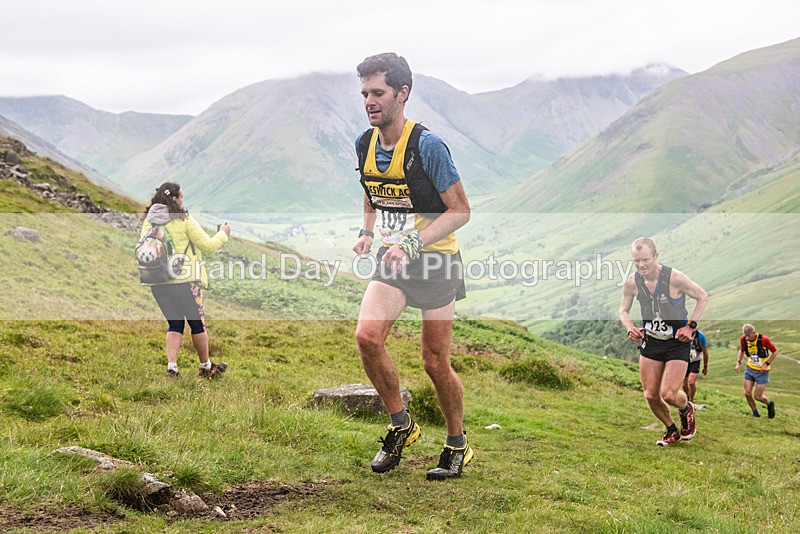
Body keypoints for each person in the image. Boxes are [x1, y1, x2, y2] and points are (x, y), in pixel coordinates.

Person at [352, 53, 472, 480]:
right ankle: (401, 425)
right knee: (367, 337)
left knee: (434, 362)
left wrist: (414, 241)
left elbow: (460, 211)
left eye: (378, 93)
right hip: (394, 260)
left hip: (436, 261)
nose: (369, 101)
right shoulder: (365, 143)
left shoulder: (428, 146)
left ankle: (456, 444)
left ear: (402, 94)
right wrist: (367, 232)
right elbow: (372, 190)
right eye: (364, 93)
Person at [619, 237, 708, 446]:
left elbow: (702, 297)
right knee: (651, 396)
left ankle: (686, 408)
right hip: (652, 341)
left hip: (677, 342)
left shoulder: (674, 278)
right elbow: (623, 310)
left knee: (668, 394)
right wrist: (630, 327)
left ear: (656, 256)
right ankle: (671, 430)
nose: (641, 265)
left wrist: (690, 326)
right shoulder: (632, 282)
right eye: (636, 261)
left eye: (645, 260)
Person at [141, 182, 231, 379]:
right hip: (185, 283)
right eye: (181, 197)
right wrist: (223, 234)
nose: (182, 201)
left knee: (175, 324)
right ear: (174, 198)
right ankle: (206, 367)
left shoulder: (150, 221)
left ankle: (172, 368)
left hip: (158, 283)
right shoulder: (183, 219)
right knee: (197, 325)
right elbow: (208, 245)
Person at [735, 324, 778, 418]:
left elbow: (775, 352)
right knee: (747, 393)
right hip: (750, 370)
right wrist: (738, 363)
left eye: (749, 336)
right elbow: (742, 351)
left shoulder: (764, 340)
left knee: (758, 396)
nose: (747, 338)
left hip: (762, 372)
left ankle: (769, 404)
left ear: (754, 333)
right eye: (745, 335)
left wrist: (767, 364)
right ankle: (755, 413)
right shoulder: (743, 339)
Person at [682, 330, 709, 402]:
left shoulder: (700, 336)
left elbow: (705, 352)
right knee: (685, 385)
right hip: (684, 360)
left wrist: (705, 366)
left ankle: (691, 400)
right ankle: (687, 400)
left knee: (691, 382)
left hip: (695, 361)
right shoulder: (683, 333)